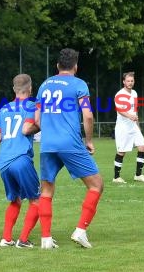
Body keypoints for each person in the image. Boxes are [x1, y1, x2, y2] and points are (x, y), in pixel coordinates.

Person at [23, 48, 104, 249]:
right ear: (75, 66)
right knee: (96, 185)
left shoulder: (44, 85)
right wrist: (89, 140)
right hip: (69, 143)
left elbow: (38, 120)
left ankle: (46, 239)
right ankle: (80, 230)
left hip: (48, 144)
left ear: (58, 66)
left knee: (47, 190)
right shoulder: (79, 84)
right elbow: (88, 115)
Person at [0, 74, 40, 249]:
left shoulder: (4, 109)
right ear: (30, 89)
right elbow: (26, 128)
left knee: (15, 200)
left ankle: (6, 238)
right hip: (20, 159)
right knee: (36, 200)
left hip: (3, 162)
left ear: (14, 89)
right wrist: (39, 126)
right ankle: (23, 239)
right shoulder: (31, 105)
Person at [112, 71, 144, 184]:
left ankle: (138, 175)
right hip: (123, 127)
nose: (130, 83)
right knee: (121, 152)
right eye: (128, 81)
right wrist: (130, 116)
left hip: (133, 127)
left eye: (132, 81)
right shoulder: (119, 94)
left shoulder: (134, 93)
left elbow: (135, 111)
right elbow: (119, 109)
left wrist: (138, 126)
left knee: (143, 147)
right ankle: (116, 177)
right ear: (124, 82)